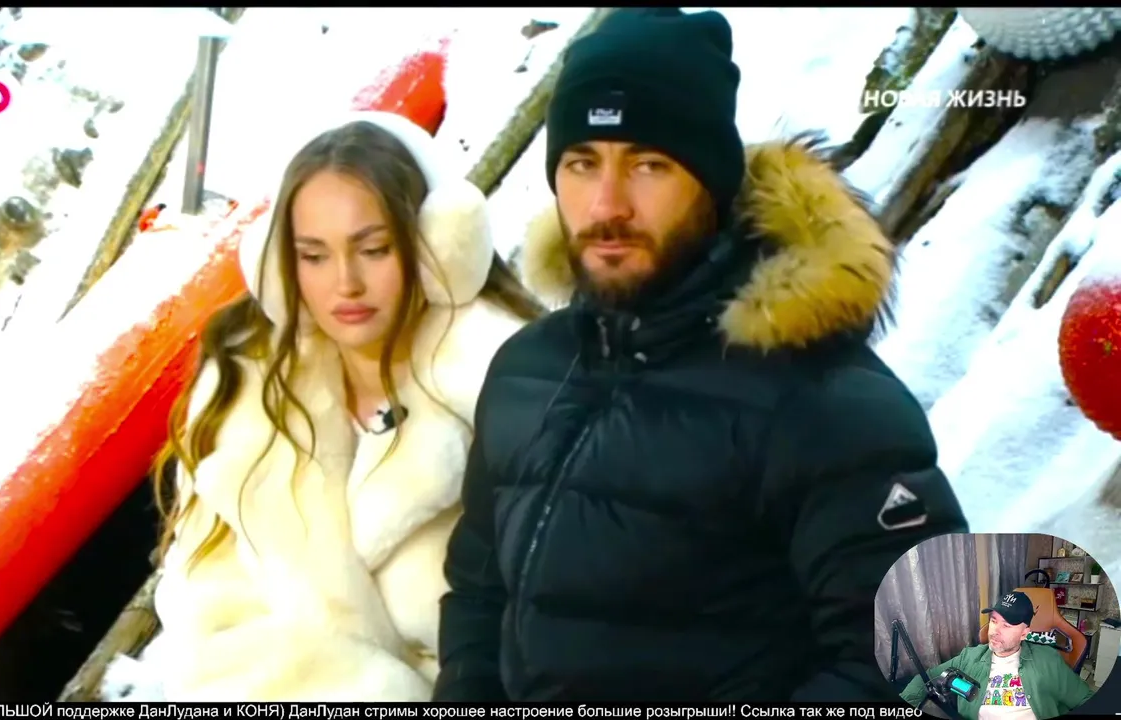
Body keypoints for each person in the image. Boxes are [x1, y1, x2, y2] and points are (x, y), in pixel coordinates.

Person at [434, 8, 969, 703]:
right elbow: (479, 594)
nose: (607, 204)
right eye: (582, 163)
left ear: (711, 183)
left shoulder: (826, 402)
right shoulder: (528, 369)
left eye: (648, 165)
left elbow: (923, 666)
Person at [141, 111, 542, 701]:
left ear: (432, 245)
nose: (345, 282)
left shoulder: (512, 389)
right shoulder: (247, 398)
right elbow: (203, 605)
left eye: (373, 249)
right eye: (313, 256)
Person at [900, 591, 1093, 718]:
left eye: (1006, 625)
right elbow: (924, 679)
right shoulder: (969, 657)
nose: (995, 631)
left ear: (1024, 633)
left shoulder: (1048, 660)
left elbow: (1084, 699)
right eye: (993, 621)